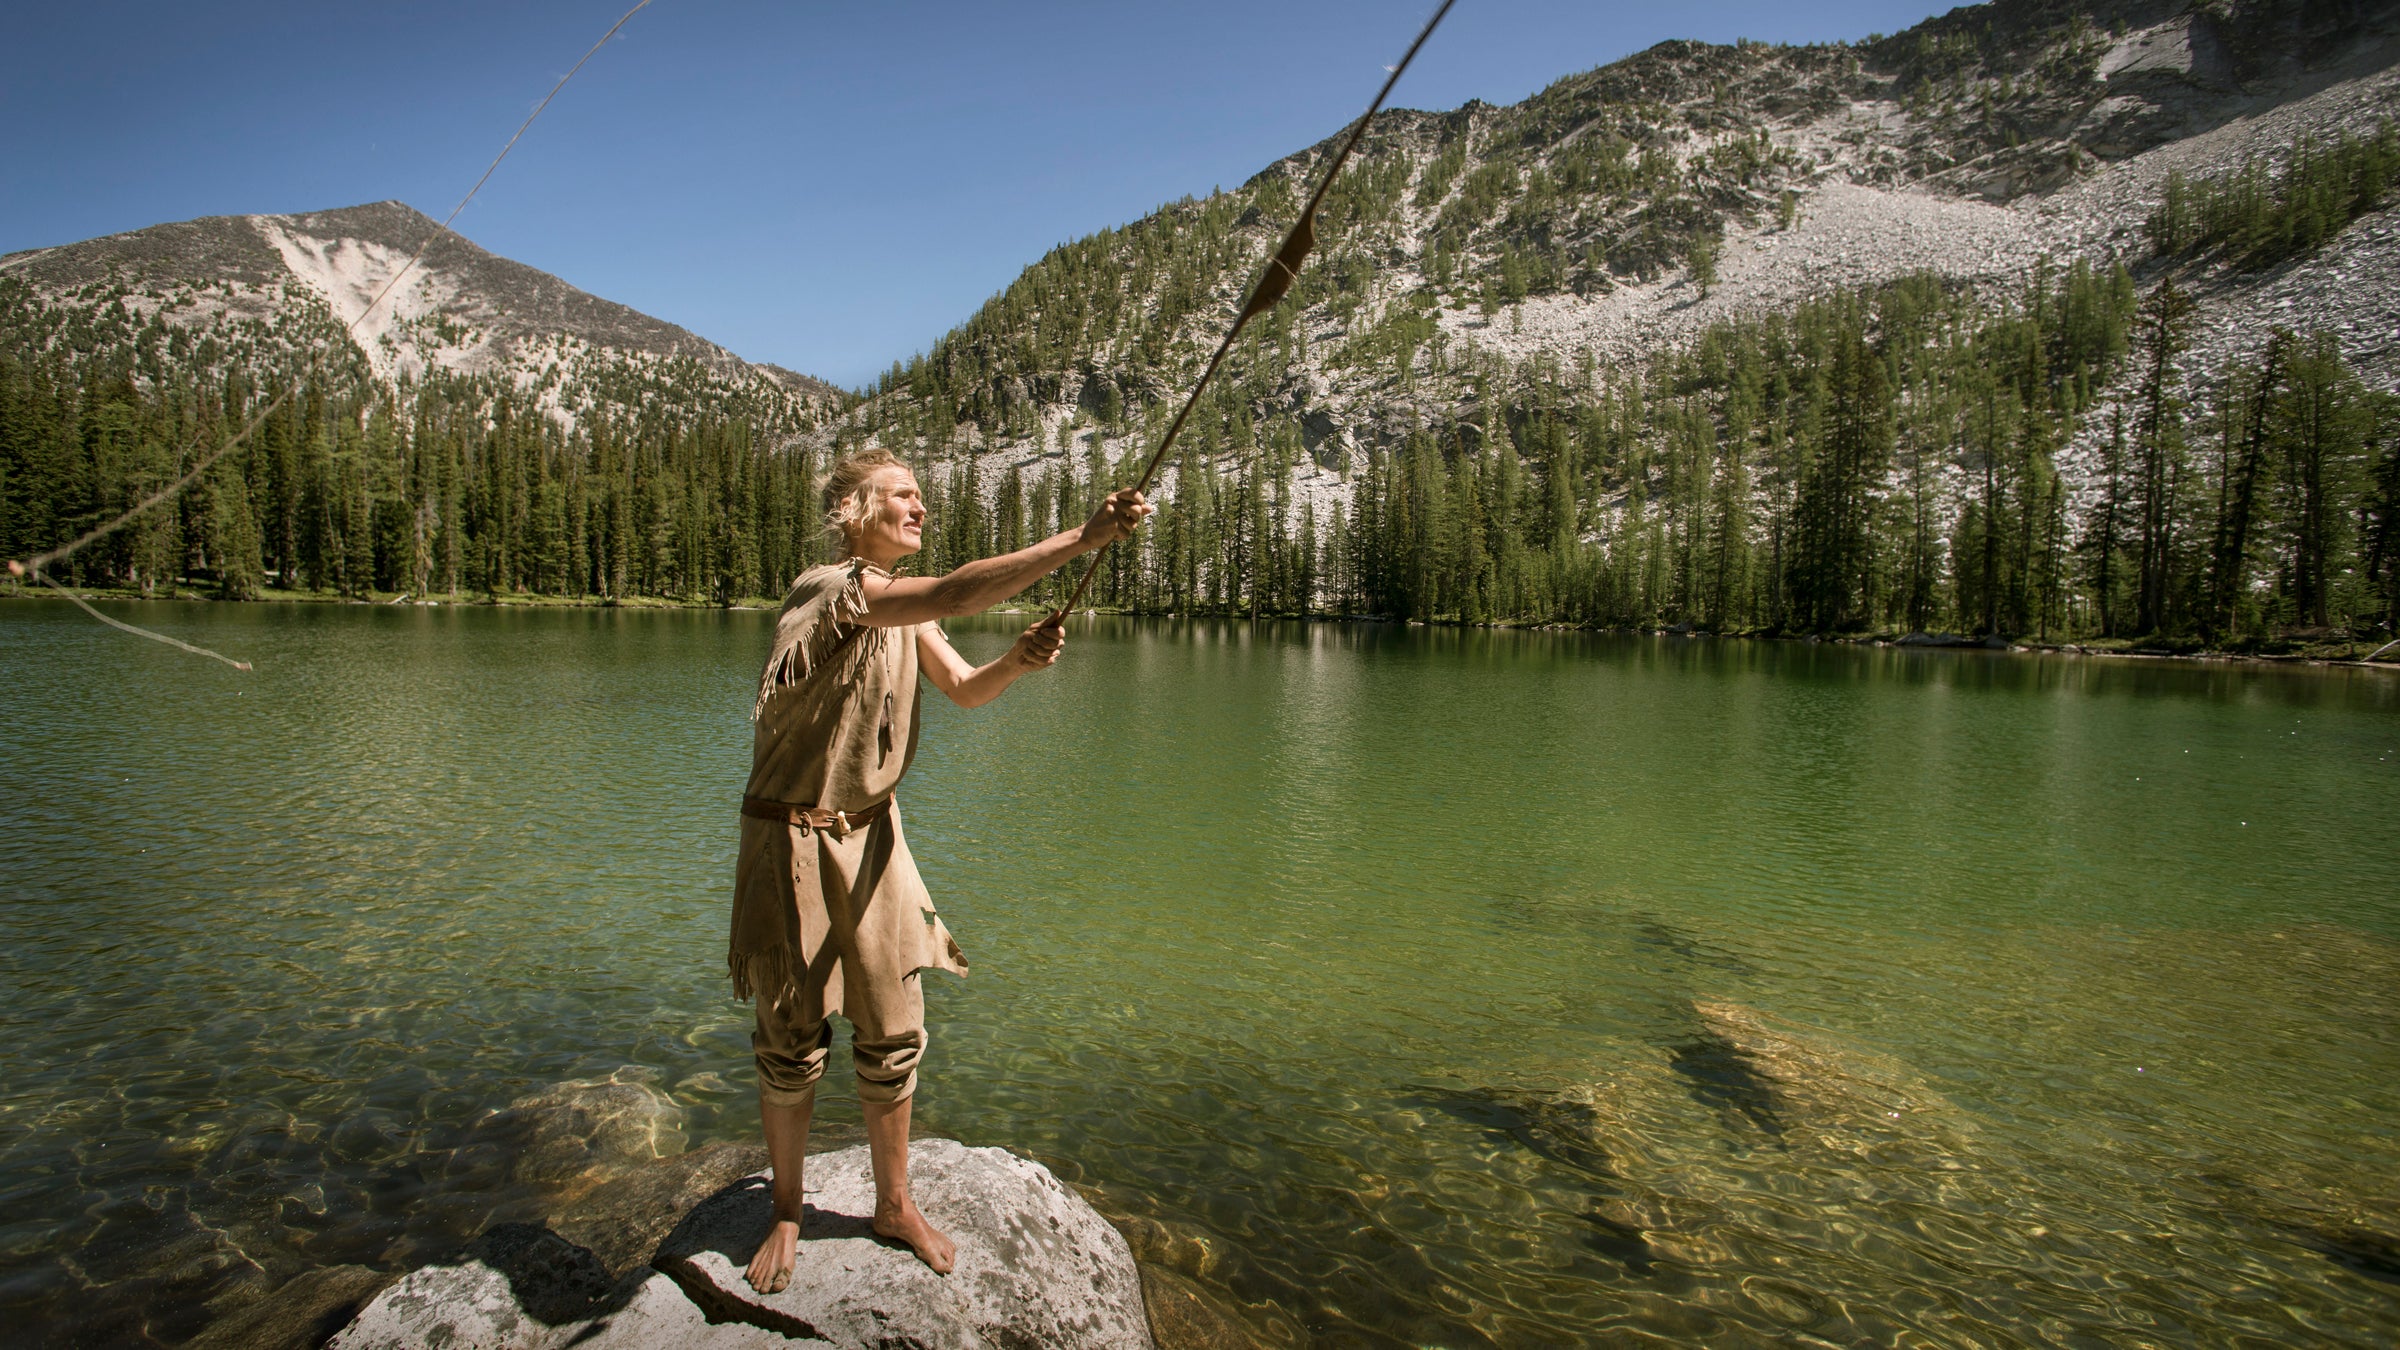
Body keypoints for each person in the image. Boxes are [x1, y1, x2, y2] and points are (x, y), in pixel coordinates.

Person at [730, 446, 1150, 1290]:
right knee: (790, 1039)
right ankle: (785, 1207)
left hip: (877, 837)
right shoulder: (832, 590)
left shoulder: (902, 614)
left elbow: (962, 687)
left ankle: (893, 1204)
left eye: (923, 498)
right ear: (855, 511)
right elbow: (957, 590)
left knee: (895, 1029)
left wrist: (1017, 664)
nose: (920, 509)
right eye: (902, 496)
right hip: (791, 841)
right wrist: (1081, 537)